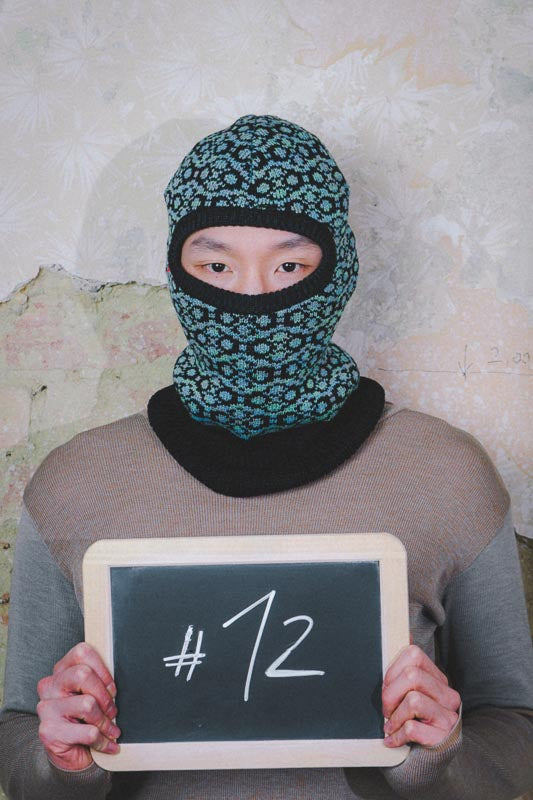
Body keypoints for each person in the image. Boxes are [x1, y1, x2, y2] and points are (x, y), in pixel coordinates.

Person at [0, 114, 532, 800]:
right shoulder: (73, 484)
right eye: (216, 266)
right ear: (175, 272)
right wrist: (61, 760)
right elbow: (18, 742)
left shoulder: (447, 473)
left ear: (338, 268)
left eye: (289, 266)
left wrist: (440, 755)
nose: (251, 297)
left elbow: (514, 731)